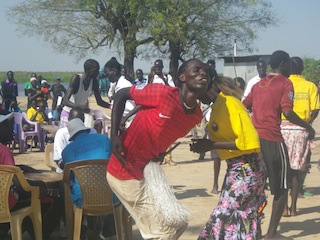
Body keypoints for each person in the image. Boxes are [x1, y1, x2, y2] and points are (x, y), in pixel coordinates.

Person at [107, 58, 211, 239]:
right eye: (196, 70)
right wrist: (114, 134)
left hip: (145, 174)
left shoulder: (195, 116)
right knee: (163, 232)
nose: (203, 74)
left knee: (177, 223)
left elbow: (164, 134)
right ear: (182, 77)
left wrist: (159, 152)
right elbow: (121, 95)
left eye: (206, 72)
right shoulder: (162, 94)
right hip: (123, 171)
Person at [242, 50, 315, 239]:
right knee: (283, 187)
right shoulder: (285, 82)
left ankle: (252, 230)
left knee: (257, 185)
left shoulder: (258, 84)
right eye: (289, 63)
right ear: (283, 64)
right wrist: (309, 127)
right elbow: (288, 112)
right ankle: (272, 233)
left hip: (254, 140)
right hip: (273, 140)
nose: (291, 67)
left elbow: (244, 105)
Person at [190, 76, 266, 240]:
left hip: (248, 168)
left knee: (226, 213)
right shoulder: (217, 105)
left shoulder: (230, 103)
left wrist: (212, 145)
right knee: (241, 215)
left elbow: (249, 142)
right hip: (236, 168)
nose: (195, 95)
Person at [61, 118, 116, 239]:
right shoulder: (104, 139)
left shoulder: (67, 151)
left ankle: (81, 230)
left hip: (84, 199)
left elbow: (70, 178)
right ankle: (105, 232)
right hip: (109, 195)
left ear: (72, 136)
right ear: (86, 130)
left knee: (77, 188)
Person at [281, 57, 320, 217]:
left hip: (282, 129)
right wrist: (308, 123)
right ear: (303, 69)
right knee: (296, 171)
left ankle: (283, 207)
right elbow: (316, 109)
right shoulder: (310, 86)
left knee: (284, 170)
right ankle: (294, 208)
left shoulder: (283, 83)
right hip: (301, 130)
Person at [61, 59, 111, 127]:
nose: (97, 73)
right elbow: (65, 101)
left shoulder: (94, 82)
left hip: (79, 116)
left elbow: (99, 101)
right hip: (68, 114)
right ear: (88, 70)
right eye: (96, 70)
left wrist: (110, 106)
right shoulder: (77, 79)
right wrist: (80, 107)